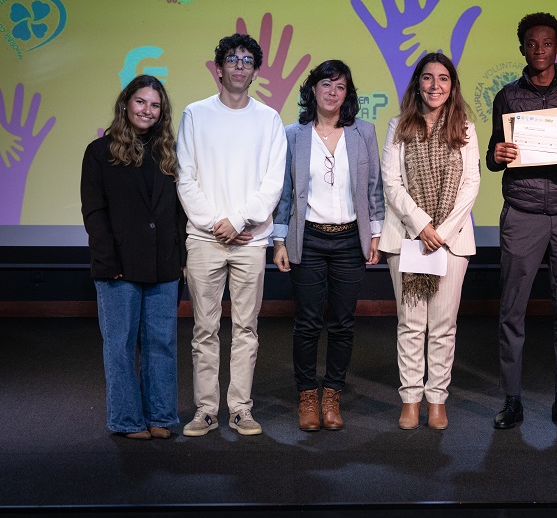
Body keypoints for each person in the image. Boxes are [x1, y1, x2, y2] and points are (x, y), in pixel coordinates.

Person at [485, 12, 557, 430]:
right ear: (522, 49)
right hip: (522, 215)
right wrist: (496, 156)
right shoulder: (507, 97)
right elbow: (496, 155)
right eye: (531, 44)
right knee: (512, 312)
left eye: (547, 43)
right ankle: (512, 399)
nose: (539, 50)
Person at [176, 33, 287, 437]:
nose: (239, 65)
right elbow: (185, 177)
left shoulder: (269, 118)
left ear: (255, 71)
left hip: (250, 241)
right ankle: (206, 410)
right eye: (231, 58)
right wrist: (215, 224)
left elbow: (274, 180)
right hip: (204, 241)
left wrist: (239, 221)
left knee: (246, 329)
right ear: (218, 67)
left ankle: (240, 409)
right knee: (204, 329)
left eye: (247, 60)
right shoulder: (195, 114)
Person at [272, 60, 384, 432]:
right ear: (313, 90)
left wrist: (375, 235)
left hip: (351, 239)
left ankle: (332, 394)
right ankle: (306, 396)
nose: (332, 92)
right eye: (326, 84)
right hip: (310, 239)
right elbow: (285, 192)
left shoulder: (363, 131)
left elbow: (374, 188)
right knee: (306, 323)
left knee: (342, 323)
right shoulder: (294, 134)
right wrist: (279, 239)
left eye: (340, 87)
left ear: (348, 94)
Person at [379, 52, 480, 431]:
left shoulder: (465, 129)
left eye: (442, 79)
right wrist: (422, 225)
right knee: (410, 324)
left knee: (442, 325)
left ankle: (437, 399)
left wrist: (441, 231)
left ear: (452, 86)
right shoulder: (398, 126)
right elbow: (392, 182)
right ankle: (410, 399)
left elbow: (471, 184)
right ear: (417, 84)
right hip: (407, 237)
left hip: (450, 242)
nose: (434, 85)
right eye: (427, 78)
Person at [80, 74, 185, 440]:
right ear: (126, 104)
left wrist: (180, 257)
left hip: (164, 265)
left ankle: (160, 416)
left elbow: (178, 213)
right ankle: (126, 420)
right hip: (118, 269)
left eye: (155, 105)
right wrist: (110, 264)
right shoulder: (99, 152)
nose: (148, 110)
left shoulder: (168, 153)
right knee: (121, 346)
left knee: (162, 345)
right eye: (141, 102)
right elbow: (95, 213)